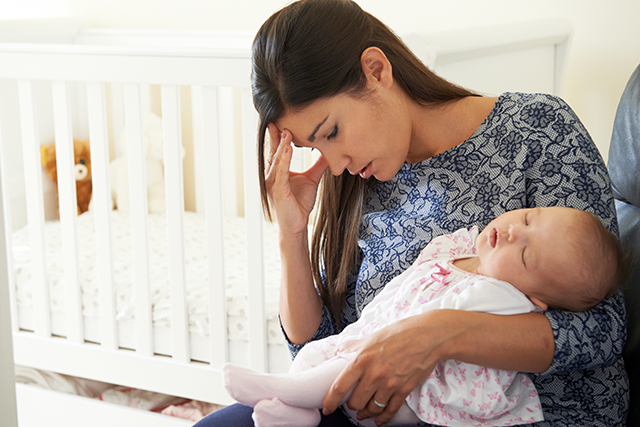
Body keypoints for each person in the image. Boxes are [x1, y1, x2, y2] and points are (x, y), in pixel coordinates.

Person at [194, 0, 629, 426]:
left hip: (530, 413)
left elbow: (603, 329)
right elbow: (323, 353)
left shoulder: (538, 128)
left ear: (376, 70)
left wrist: (438, 335)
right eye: (315, 146)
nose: (335, 162)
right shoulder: (361, 180)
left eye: (332, 131)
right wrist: (292, 233)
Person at [221, 206, 627, 427]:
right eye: (526, 217)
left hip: (419, 392)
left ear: (537, 298)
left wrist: (401, 334)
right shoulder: (461, 246)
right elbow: (404, 287)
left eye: (525, 255)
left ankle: (289, 393)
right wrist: (292, 235)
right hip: (374, 341)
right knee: (321, 353)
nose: (514, 232)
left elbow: (608, 329)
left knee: (350, 366)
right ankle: (296, 412)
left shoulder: (507, 298)